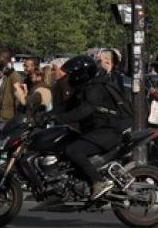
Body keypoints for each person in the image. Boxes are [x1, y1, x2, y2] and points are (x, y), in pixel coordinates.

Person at [54, 55, 131, 200]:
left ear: (81, 75)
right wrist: (45, 115)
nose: (70, 78)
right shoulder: (85, 87)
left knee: (73, 150)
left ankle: (99, 181)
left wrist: (60, 118)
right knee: (63, 143)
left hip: (107, 132)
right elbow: (68, 105)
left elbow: (84, 110)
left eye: (72, 74)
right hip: (95, 131)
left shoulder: (95, 88)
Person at [0, 49, 20, 127]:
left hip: (7, 120)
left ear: (3, 59)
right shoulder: (0, 75)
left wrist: (17, 120)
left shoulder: (14, 76)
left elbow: (18, 100)